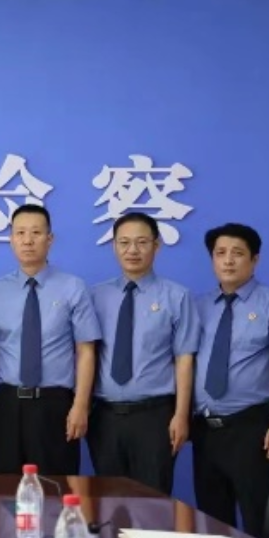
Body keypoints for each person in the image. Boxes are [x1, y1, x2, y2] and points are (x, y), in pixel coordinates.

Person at [192, 223, 269, 537]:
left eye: (238, 253)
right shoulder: (199, 307)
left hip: (251, 430)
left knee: (259, 523)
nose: (228, 260)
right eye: (220, 253)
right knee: (213, 527)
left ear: (255, 259)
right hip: (205, 431)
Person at [0, 204, 101, 476]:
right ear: (11, 239)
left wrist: (80, 405)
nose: (28, 240)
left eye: (36, 233)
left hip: (54, 404)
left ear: (49, 239)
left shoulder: (72, 287)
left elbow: (86, 350)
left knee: (55, 487)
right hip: (8, 402)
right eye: (20, 233)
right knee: (6, 489)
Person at [88, 212, 200, 496]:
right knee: (108, 501)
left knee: (153, 503)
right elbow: (86, 354)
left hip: (154, 416)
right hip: (105, 417)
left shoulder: (177, 296)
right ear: (114, 246)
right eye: (124, 242)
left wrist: (181, 415)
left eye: (141, 242)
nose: (133, 250)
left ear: (156, 246)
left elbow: (184, 359)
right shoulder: (96, 296)